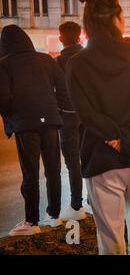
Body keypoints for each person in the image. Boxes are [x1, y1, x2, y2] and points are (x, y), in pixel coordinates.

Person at [66, 0, 130, 255]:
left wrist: (120, 140)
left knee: (110, 236)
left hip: (100, 158)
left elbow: (87, 114)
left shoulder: (76, 65)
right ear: (118, 19)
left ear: (87, 24)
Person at [0, 24, 69, 236]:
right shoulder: (46, 59)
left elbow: (2, 97)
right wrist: (57, 107)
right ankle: (54, 215)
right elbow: (63, 86)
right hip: (50, 119)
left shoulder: (4, 64)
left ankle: (31, 222)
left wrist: (11, 116)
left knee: (30, 173)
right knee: (53, 169)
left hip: (25, 123)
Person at [55, 21, 86, 222]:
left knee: (73, 161)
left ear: (60, 38)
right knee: (90, 155)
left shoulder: (58, 61)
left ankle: (77, 204)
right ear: (80, 36)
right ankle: (95, 198)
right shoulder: (89, 58)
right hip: (88, 114)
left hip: (66, 115)